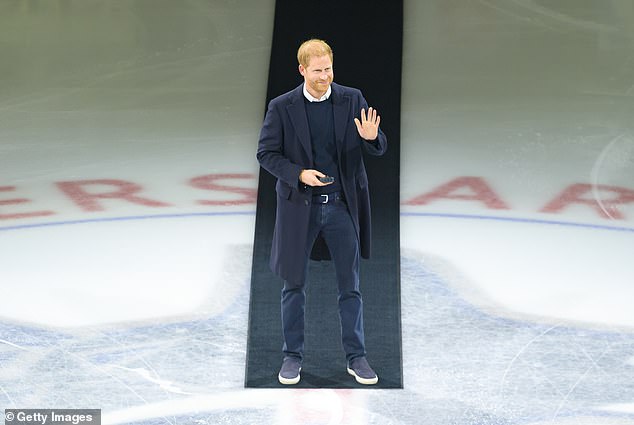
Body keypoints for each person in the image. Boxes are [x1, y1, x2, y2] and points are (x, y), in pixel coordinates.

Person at [256, 38, 387, 385]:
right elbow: (266, 153)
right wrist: (299, 174)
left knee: (351, 287)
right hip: (301, 208)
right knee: (293, 286)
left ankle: (356, 357)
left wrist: (373, 138)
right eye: (317, 71)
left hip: (342, 207)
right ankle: (292, 357)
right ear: (302, 70)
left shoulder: (352, 98)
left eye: (328, 69)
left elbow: (377, 144)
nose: (324, 77)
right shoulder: (282, 107)